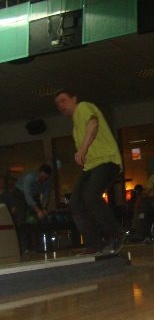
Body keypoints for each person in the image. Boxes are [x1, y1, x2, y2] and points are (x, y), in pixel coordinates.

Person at [54, 90, 124, 255]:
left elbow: (93, 123)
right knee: (75, 203)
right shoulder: (75, 127)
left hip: (106, 160)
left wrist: (83, 149)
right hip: (91, 166)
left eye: (63, 100)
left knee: (91, 196)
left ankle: (116, 234)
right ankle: (94, 244)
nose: (61, 106)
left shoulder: (83, 107)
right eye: (58, 104)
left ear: (74, 99)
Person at [14, 164, 52, 253]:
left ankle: (37, 246)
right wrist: (38, 210)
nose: (43, 180)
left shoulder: (48, 180)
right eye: (42, 177)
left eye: (45, 178)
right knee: (21, 219)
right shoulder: (29, 177)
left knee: (39, 219)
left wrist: (43, 208)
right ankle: (24, 247)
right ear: (39, 173)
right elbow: (27, 196)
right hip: (21, 194)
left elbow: (46, 194)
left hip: (35, 195)